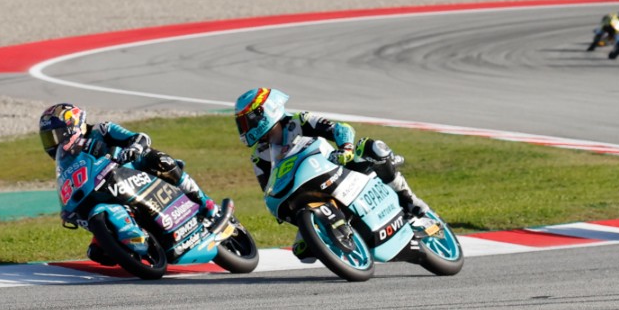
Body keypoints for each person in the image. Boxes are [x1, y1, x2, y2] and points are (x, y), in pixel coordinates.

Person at [232, 87, 427, 262]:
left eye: (247, 121)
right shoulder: (259, 156)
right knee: (301, 251)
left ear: (264, 111)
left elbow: (340, 129)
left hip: (338, 167)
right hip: (305, 190)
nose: (245, 128)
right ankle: (338, 237)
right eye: (242, 123)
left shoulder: (300, 121)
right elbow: (269, 188)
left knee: (371, 148)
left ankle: (409, 200)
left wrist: (346, 148)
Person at [38, 103, 217, 228]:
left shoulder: (102, 130)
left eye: (57, 135)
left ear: (73, 126)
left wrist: (134, 148)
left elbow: (140, 137)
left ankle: (203, 201)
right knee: (98, 253)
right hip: (107, 191)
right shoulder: (66, 161)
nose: (54, 143)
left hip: (134, 172)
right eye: (48, 138)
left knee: (159, 159)